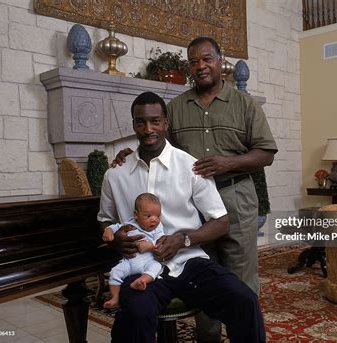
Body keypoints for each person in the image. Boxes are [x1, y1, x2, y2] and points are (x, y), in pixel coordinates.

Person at [113, 36, 277, 342]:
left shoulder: (245, 104)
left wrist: (227, 164)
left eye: (207, 59)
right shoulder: (175, 107)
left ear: (220, 60)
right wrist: (128, 153)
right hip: (193, 205)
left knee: (241, 282)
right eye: (193, 62)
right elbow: (156, 143)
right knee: (200, 273)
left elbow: (266, 153)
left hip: (235, 199)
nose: (200, 66)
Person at [102, 193, 164, 309]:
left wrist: (150, 245)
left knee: (156, 267)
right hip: (129, 261)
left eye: (158, 216)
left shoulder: (158, 228)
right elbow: (115, 226)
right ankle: (115, 297)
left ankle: (141, 281)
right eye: (148, 216)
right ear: (136, 215)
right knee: (115, 272)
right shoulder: (130, 223)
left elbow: (161, 241)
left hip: (148, 260)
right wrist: (109, 231)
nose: (154, 220)